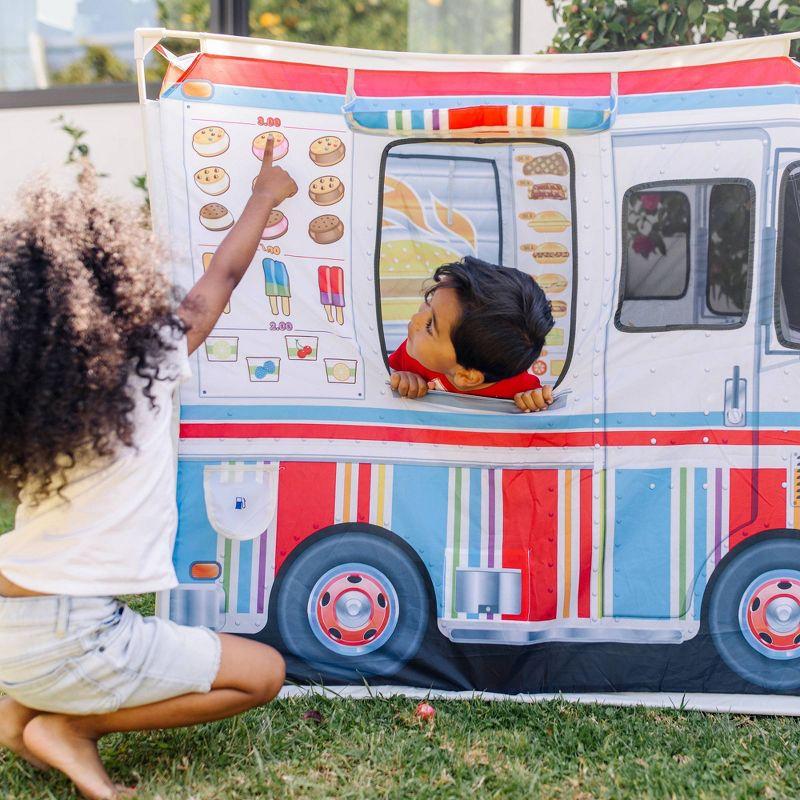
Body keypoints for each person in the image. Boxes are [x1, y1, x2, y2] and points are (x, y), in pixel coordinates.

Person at [0, 137, 297, 800]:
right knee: (265, 673)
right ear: (118, 280)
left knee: (42, 671)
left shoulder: (34, 406)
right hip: (73, 639)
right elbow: (219, 281)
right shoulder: (151, 361)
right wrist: (264, 194)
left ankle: (23, 712)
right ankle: (72, 730)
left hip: (9, 625)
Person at [389, 257, 556, 412]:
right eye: (430, 301)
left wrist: (536, 401)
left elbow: (538, 407)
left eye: (430, 326)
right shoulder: (413, 354)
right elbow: (385, 375)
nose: (415, 317)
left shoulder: (522, 390)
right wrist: (399, 377)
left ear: (466, 376)